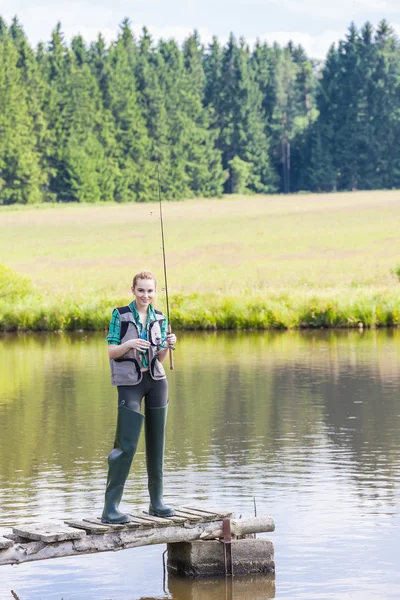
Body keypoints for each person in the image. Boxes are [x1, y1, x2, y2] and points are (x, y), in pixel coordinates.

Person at [101, 270, 177, 524]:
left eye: (150, 291)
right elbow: (112, 351)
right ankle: (110, 509)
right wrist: (129, 344)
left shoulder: (160, 317)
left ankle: (157, 503)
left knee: (157, 444)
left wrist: (168, 344)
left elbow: (162, 358)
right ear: (133, 290)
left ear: (155, 292)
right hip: (129, 383)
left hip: (156, 381)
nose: (146, 295)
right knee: (126, 445)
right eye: (141, 290)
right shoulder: (120, 315)